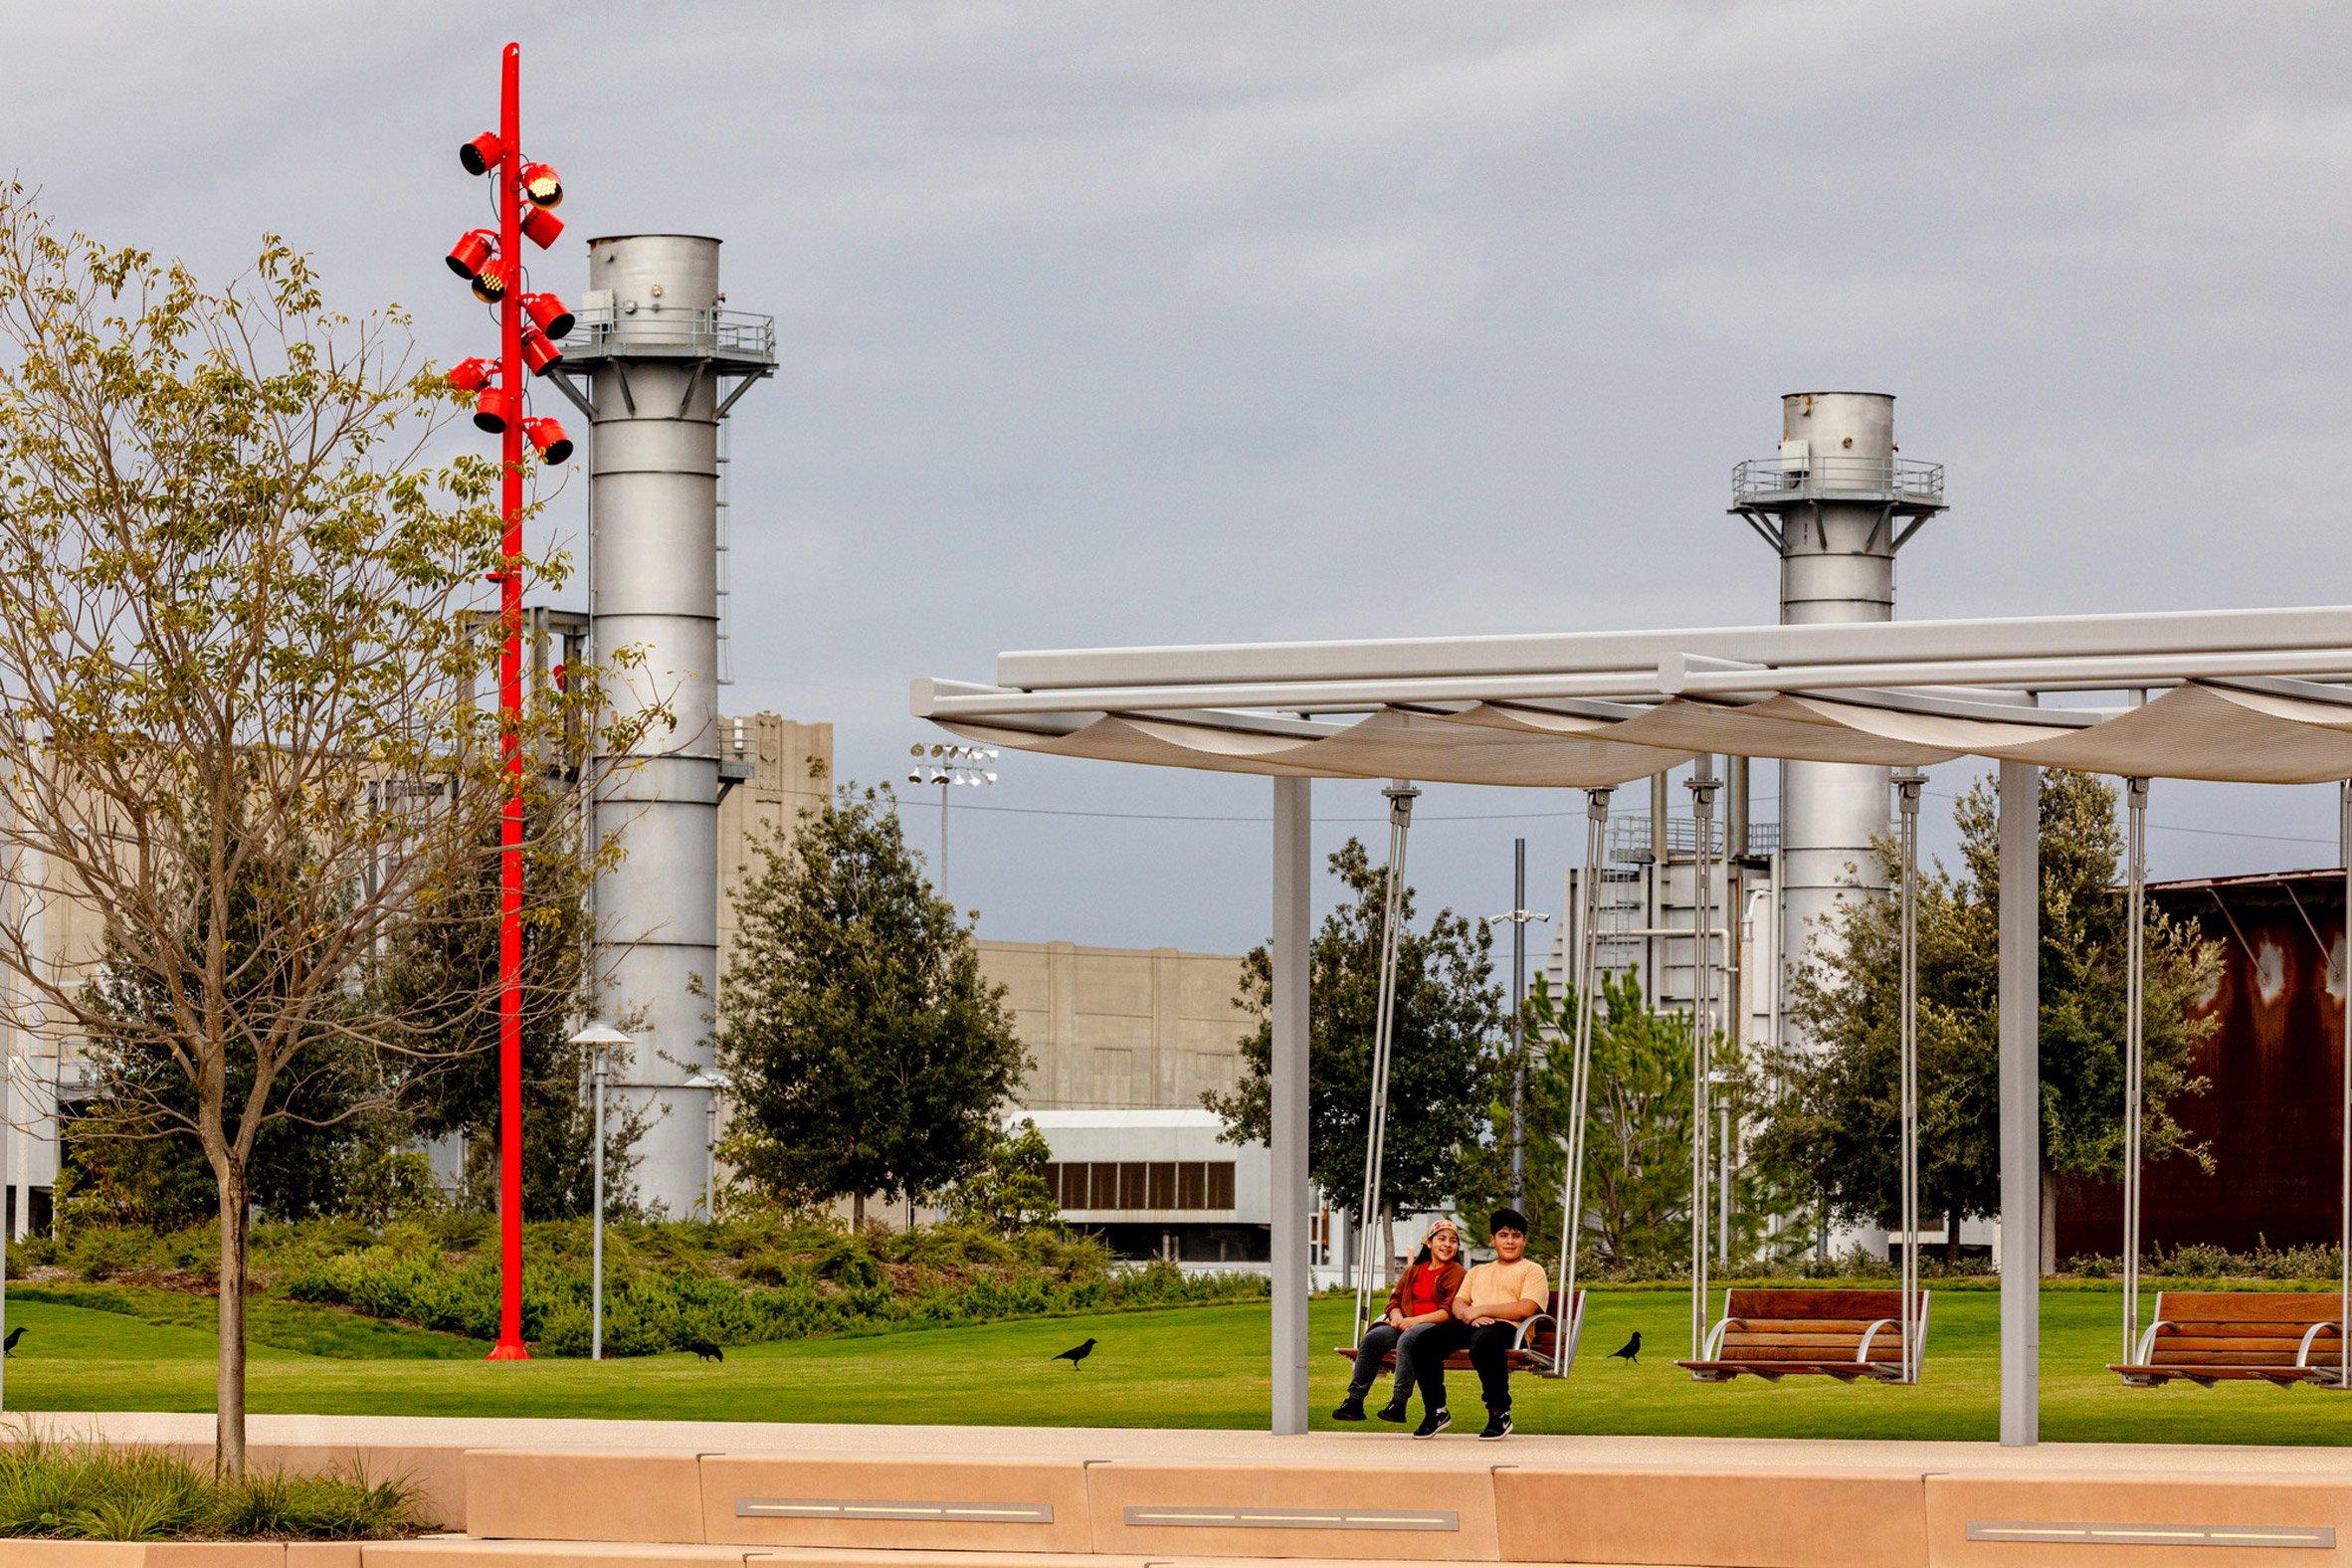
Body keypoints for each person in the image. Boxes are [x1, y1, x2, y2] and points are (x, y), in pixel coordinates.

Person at [1409, 1207, 1549, 1441]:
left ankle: (1499, 1413)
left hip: (1511, 1329)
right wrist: (1469, 1315)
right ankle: (1436, 1410)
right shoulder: (1478, 1271)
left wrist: (1481, 1310)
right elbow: (1459, 1303)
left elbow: (1526, 1307)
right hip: (1474, 1324)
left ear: (1524, 1240)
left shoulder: (1532, 1270)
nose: (1510, 1242)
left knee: (1484, 1342)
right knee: (1424, 1341)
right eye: (1503, 1236)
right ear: (1493, 1240)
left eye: (1516, 1236)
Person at [1332, 1217, 1465, 1424]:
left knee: (1408, 1339)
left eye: (1453, 1240)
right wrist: (1396, 1317)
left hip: (1433, 1326)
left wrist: (1415, 1321)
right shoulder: (1414, 1270)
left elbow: (1448, 1311)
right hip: (1403, 1322)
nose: (1447, 1245)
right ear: (1429, 1242)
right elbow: (1394, 1300)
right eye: (1442, 1239)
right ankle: (1354, 1401)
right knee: (1373, 1337)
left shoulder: (1456, 1273)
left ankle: (1398, 1403)